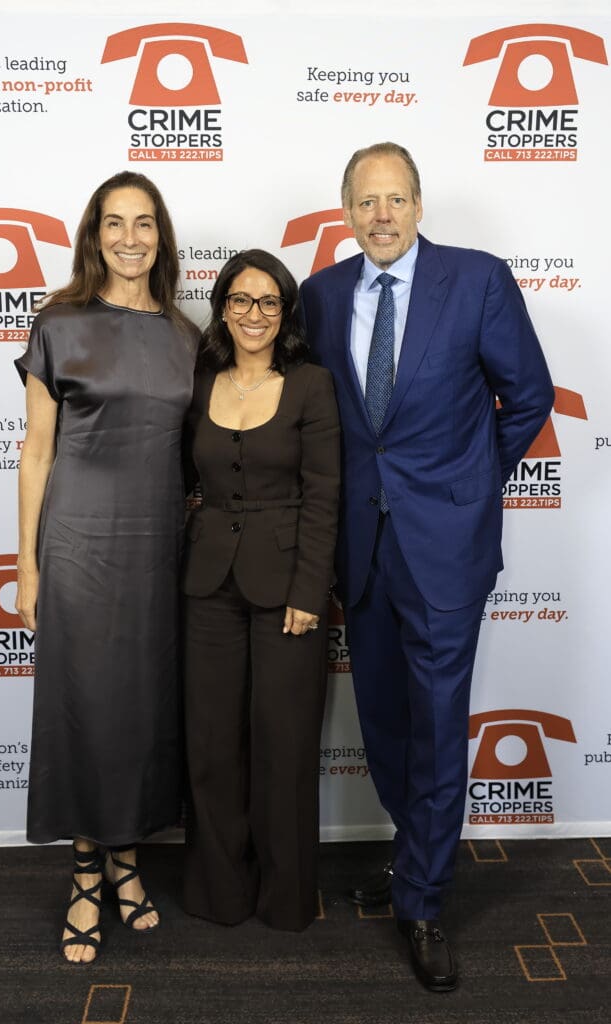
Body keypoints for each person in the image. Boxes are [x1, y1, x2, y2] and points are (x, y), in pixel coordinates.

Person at [299, 143, 554, 989]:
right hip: (361, 548)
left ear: (417, 204)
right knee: (384, 721)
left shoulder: (476, 280)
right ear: (346, 210)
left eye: (395, 199)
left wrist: (468, 484)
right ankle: (417, 856)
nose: (381, 215)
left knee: (440, 724)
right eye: (365, 201)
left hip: (446, 546)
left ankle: (424, 900)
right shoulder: (320, 294)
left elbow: (528, 395)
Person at [15, 171, 197, 964]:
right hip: (78, 545)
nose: (129, 237)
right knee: (86, 708)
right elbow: (36, 452)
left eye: (144, 222)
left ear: (161, 237)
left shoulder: (187, 336)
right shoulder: (59, 324)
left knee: (141, 711)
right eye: (114, 222)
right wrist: (25, 566)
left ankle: (126, 860)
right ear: (94, 235)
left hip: (158, 550)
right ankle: (87, 872)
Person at [181, 249, 340, 931]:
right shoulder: (200, 382)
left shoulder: (311, 385)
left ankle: (286, 898)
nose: (254, 314)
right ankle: (219, 890)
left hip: (287, 590)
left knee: (285, 744)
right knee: (212, 744)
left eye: (269, 301)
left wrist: (310, 590)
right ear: (222, 307)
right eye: (241, 300)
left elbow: (324, 496)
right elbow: (179, 478)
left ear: (285, 313)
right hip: (206, 585)